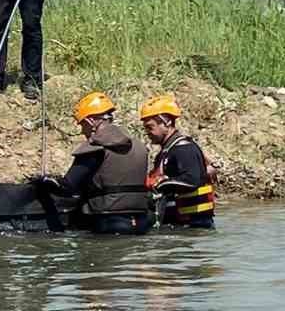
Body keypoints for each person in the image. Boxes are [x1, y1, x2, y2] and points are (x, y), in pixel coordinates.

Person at [38, 92, 153, 234]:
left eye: (82, 124)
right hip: (142, 222)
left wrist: (44, 183)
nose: (82, 131)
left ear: (92, 121)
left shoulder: (96, 147)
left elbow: (68, 187)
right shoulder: (140, 146)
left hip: (108, 223)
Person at [140, 95, 216, 227]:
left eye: (150, 127)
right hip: (179, 224)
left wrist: (161, 183)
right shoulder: (167, 150)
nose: (147, 132)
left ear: (167, 122)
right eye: (145, 128)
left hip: (193, 226)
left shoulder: (183, 149)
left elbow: (192, 180)